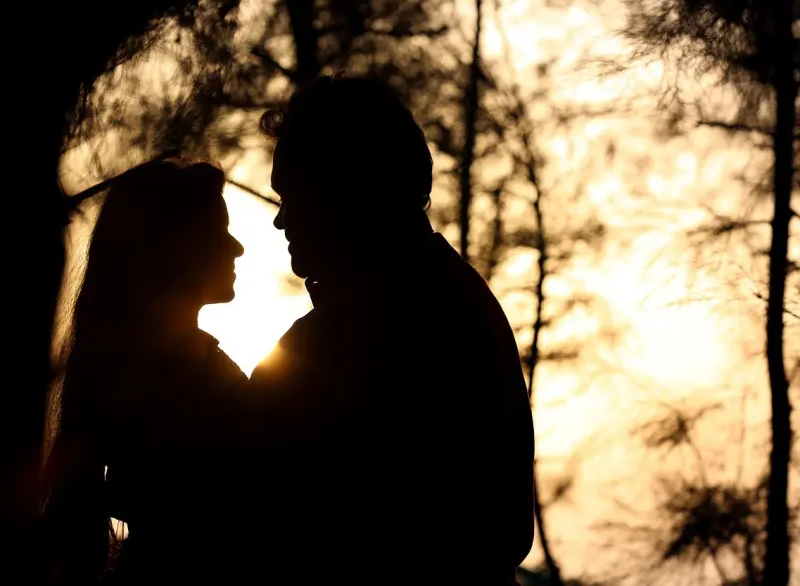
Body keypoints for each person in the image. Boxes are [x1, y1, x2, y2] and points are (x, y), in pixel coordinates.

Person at [249, 76, 535, 585]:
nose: (280, 220)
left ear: (346, 192)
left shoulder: (372, 330)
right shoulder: (446, 298)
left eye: (293, 195)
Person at [40, 156, 248, 585]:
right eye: (218, 232)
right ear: (175, 247)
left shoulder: (152, 369)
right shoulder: (179, 382)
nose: (237, 247)